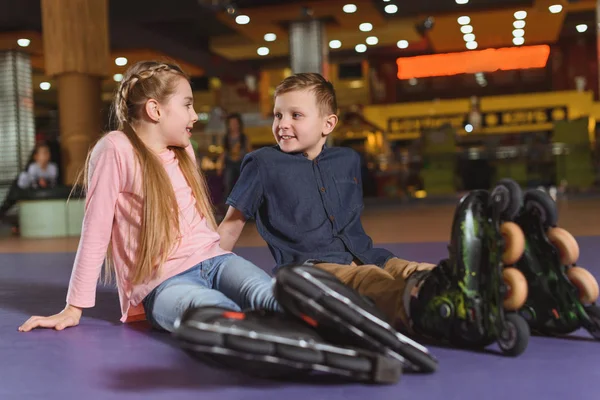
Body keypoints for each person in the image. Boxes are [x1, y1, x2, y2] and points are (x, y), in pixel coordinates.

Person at [216, 73, 529, 348]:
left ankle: (490, 290)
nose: (282, 124)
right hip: (313, 268)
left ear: (328, 124)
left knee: (412, 269)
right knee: (371, 280)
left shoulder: (347, 160)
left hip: (367, 254)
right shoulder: (262, 165)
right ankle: (431, 311)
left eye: (295, 115)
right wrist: (204, 274)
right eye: (278, 115)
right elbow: (231, 225)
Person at [18, 61, 278, 333]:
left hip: (217, 261)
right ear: (155, 110)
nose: (193, 116)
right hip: (164, 283)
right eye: (187, 105)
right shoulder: (116, 148)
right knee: (214, 314)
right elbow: (96, 228)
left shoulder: (183, 149)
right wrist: (73, 307)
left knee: (268, 296)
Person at [217, 113, 251, 198]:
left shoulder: (243, 137)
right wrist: (220, 166)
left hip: (241, 163)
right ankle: (228, 203)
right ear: (228, 125)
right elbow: (223, 153)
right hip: (230, 164)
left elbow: (249, 151)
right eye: (231, 123)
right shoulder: (226, 138)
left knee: (244, 183)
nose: (234, 125)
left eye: (235, 123)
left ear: (239, 124)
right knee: (228, 183)